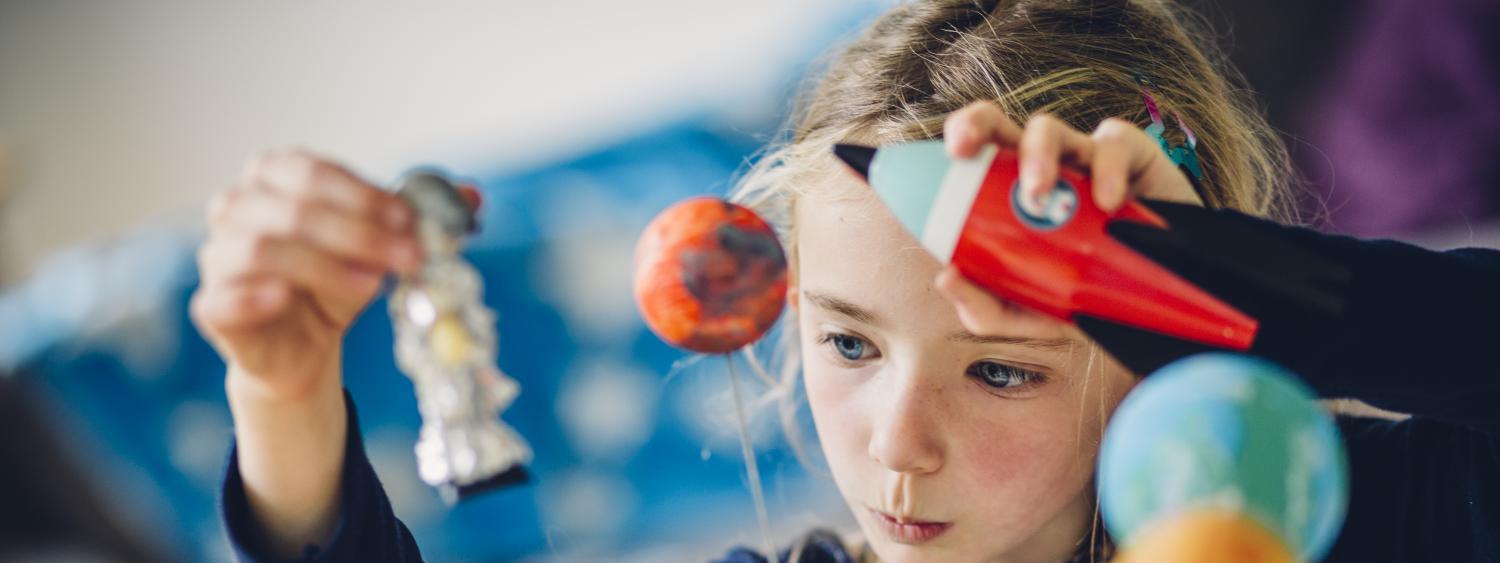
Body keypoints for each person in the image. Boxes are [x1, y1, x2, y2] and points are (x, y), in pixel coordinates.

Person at [194, 1, 1500, 561]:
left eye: (999, 369)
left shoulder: (1340, 518)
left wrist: (1218, 276)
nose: (897, 452)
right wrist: (281, 395)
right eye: (850, 346)